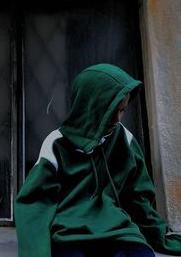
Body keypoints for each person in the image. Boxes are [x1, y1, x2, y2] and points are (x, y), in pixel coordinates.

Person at [15, 63, 181, 257]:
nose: (118, 119)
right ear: (90, 105)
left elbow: (138, 199)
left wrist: (158, 237)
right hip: (70, 234)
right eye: (113, 110)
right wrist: (36, 252)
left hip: (120, 233)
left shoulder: (125, 140)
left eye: (123, 111)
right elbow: (35, 203)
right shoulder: (56, 143)